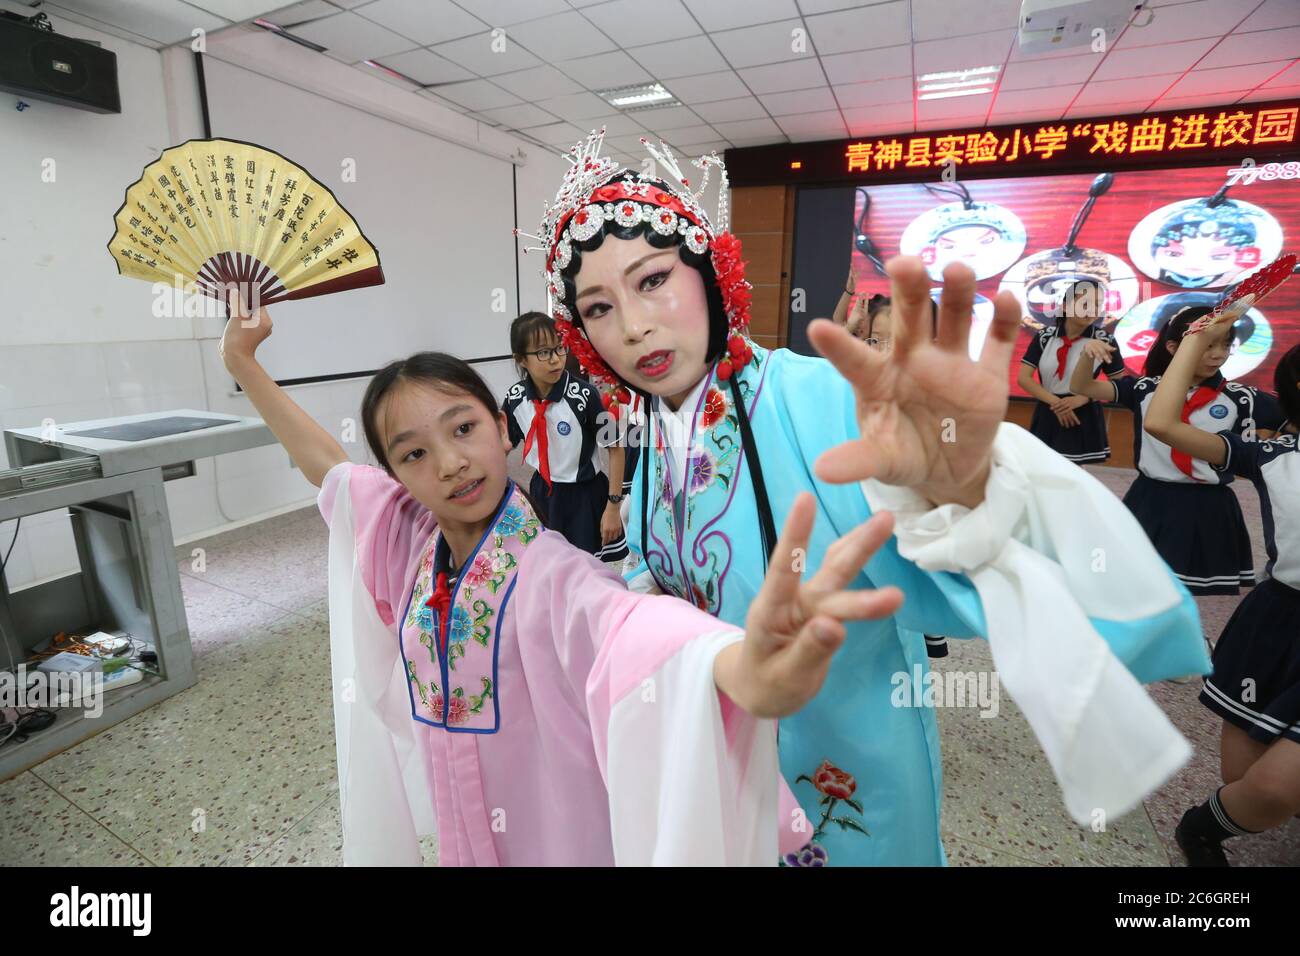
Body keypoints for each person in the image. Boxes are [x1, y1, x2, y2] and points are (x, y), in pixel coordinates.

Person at [515, 129, 1209, 865]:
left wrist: (964, 494)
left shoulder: (814, 398)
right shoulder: (653, 426)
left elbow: (956, 546)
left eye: (652, 280)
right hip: (717, 745)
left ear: (709, 273)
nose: (632, 325)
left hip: (843, 747)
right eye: (597, 307)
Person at [217, 289, 910, 866]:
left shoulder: (554, 575)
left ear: (498, 426)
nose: (451, 464)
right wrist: (242, 361)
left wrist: (736, 666)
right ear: (395, 476)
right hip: (460, 825)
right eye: (415, 453)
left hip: (553, 833)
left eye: (463, 430)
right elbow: (327, 465)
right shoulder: (405, 540)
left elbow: (636, 631)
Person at [1143, 317, 1300, 866]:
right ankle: (1204, 826)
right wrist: (1194, 339)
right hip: (1279, 625)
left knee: (1277, 787)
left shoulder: (1247, 405)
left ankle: (1205, 827)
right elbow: (1162, 422)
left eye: (1222, 346)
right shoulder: (1275, 458)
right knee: (1253, 786)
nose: (1218, 353)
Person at [1069, 306, 1286, 595]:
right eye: (1207, 345)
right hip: (1150, 499)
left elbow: (1290, 417)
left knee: (1197, 592)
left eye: (1225, 344)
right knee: (1137, 586)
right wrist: (1087, 353)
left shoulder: (1242, 398)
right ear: (1173, 347)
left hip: (1209, 506)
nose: (1217, 354)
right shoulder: (1145, 389)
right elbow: (1081, 385)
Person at [502, 311, 626, 562]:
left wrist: (613, 506)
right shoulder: (515, 398)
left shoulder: (585, 396)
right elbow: (503, 444)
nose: (555, 360)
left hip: (585, 496)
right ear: (521, 360)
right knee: (550, 563)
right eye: (543, 352)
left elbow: (615, 448)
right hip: (543, 493)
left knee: (589, 567)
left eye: (559, 349)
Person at [1019, 278, 1127, 464]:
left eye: (1098, 304)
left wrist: (1081, 399)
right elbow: (1023, 379)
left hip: (1082, 414)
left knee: (1074, 477)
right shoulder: (1044, 337)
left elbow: (1120, 385)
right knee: (1040, 469)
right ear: (1065, 306)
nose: (1093, 310)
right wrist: (1057, 404)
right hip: (1048, 411)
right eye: (1085, 303)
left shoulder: (1104, 340)